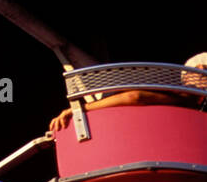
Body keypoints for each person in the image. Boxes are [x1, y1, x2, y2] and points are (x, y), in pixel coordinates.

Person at [50, 53, 207, 134]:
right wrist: (78, 110)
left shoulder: (192, 103)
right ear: (199, 69)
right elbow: (135, 97)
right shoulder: (181, 97)